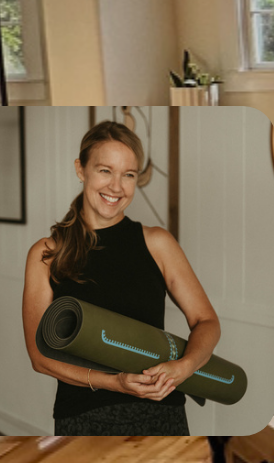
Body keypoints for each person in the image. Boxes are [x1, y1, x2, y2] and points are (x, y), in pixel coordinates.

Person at [21, 120, 220, 435]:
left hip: (161, 413)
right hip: (84, 418)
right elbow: (40, 357)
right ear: (81, 169)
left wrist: (184, 367)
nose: (116, 187)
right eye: (105, 171)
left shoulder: (157, 243)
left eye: (128, 175)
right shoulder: (46, 254)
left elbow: (206, 321)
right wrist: (115, 383)